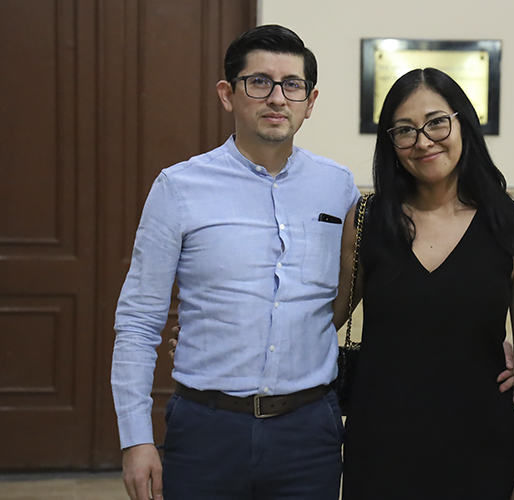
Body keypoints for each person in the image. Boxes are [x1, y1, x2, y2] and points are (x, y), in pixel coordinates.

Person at [111, 25, 359, 500]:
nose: (277, 98)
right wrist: (136, 439)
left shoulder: (338, 187)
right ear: (228, 94)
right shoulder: (179, 188)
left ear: (310, 101)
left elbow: (374, 283)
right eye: (259, 82)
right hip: (207, 430)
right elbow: (139, 320)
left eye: (292, 85)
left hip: (310, 431)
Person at [332, 68, 514, 500]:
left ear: (463, 124)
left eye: (436, 122)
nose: (423, 141)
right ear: (390, 143)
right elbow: (327, 316)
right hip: (380, 450)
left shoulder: (513, 225)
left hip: (483, 447)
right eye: (404, 130)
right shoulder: (367, 220)